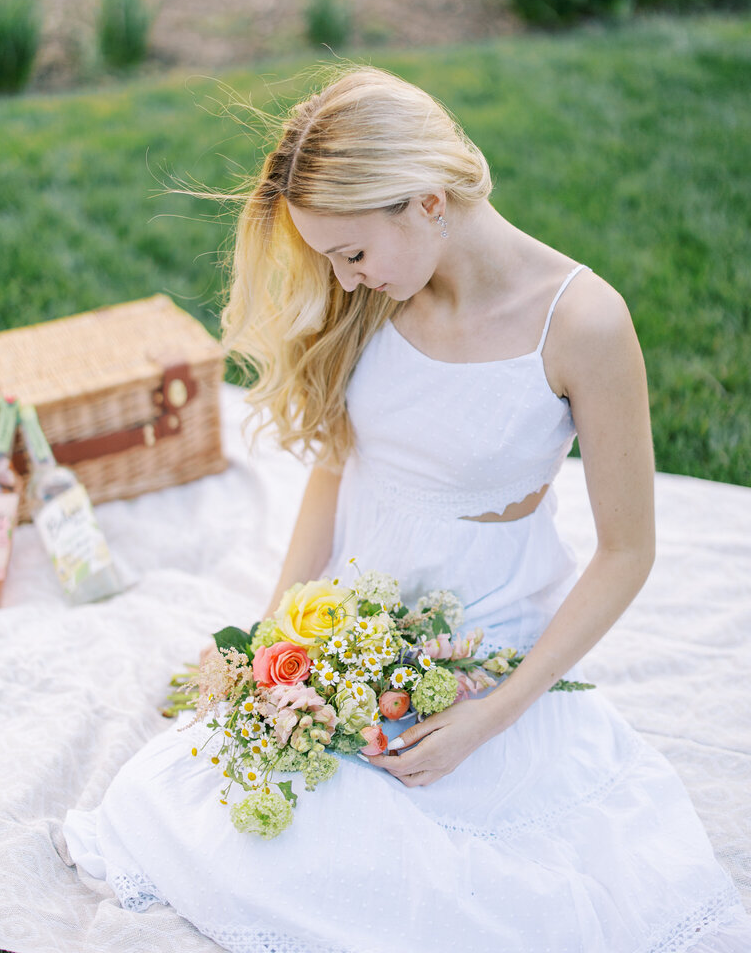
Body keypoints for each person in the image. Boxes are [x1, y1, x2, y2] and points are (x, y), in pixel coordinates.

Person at [64, 66, 751, 952]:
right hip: (351, 617)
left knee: (454, 882)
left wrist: (488, 715)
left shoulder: (582, 324)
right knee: (193, 807)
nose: (345, 282)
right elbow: (336, 470)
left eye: (351, 253)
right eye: (331, 260)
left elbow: (627, 551)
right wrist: (277, 635)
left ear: (426, 203)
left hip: (482, 636)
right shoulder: (380, 302)